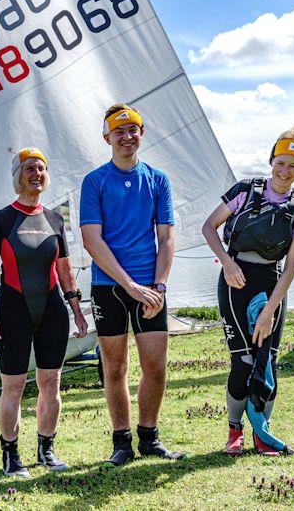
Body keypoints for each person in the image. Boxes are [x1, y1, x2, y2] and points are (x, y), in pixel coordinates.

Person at [79, 104, 185, 468]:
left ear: (141, 133)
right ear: (107, 137)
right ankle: (121, 441)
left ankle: (149, 437)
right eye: (119, 131)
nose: (127, 137)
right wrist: (129, 286)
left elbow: (167, 238)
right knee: (116, 367)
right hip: (108, 287)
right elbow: (92, 240)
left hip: (151, 287)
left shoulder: (158, 179)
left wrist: (158, 286)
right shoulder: (95, 181)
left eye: (133, 130)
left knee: (155, 366)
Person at [201, 127, 294, 456]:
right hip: (235, 282)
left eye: (293, 165)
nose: (284, 171)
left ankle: (262, 433)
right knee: (243, 360)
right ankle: (235, 431)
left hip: (271, 285)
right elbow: (209, 227)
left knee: (267, 362)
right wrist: (226, 263)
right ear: (271, 160)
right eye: (280, 162)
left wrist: (269, 311)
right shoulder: (246, 190)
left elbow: (290, 267)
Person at [0, 148, 88, 477]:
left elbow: (64, 269)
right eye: (29, 168)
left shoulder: (56, 218)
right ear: (18, 176)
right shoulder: (1, 219)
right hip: (12, 309)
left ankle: (47, 449)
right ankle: (11, 455)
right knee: (13, 386)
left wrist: (77, 309)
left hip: (53, 310)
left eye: (41, 168)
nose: (36, 174)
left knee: (50, 383)